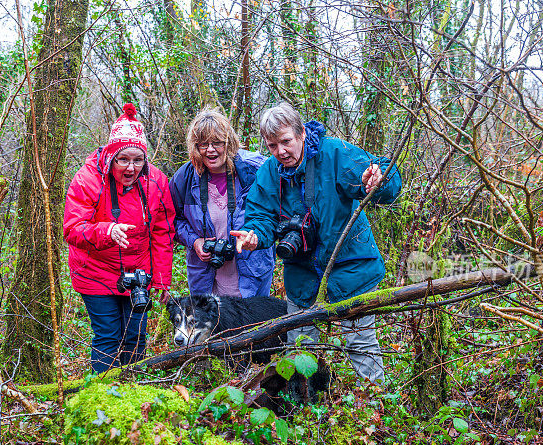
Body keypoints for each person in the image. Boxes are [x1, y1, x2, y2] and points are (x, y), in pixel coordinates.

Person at [231, 102, 402, 384]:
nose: (280, 152)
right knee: (301, 347)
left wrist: (377, 180)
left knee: (360, 343)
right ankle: (304, 407)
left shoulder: (334, 155)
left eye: (286, 142)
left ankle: (376, 403)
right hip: (303, 275)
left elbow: (384, 175)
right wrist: (254, 236)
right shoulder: (269, 174)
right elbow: (261, 216)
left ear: (300, 134)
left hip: (351, 268)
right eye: (272, 146)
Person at [63, 103, 175, 374]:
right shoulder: (88, 179)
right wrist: (106, 231)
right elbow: (72, 228)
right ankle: (102, 396)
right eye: (123, 159)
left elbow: (162, 232)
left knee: (136, 337)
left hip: (138, 274)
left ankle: (133, 393)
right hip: (95, 273)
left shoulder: (156, 181)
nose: (130, 168)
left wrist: (160, 279)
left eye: (138, 160)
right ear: (112, 156)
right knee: (108, 336)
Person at [170, 108, 275, 297]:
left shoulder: (254, 170)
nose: (210, 150)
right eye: (203, 144)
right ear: (195, 146)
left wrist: (256, 235)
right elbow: (171, 220)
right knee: (213, 324)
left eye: (217, 143)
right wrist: (194, 241)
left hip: (251, 270)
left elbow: (274, 213)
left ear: (229, 142)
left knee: (254, 325)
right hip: (206, 276)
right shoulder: (184, 178)